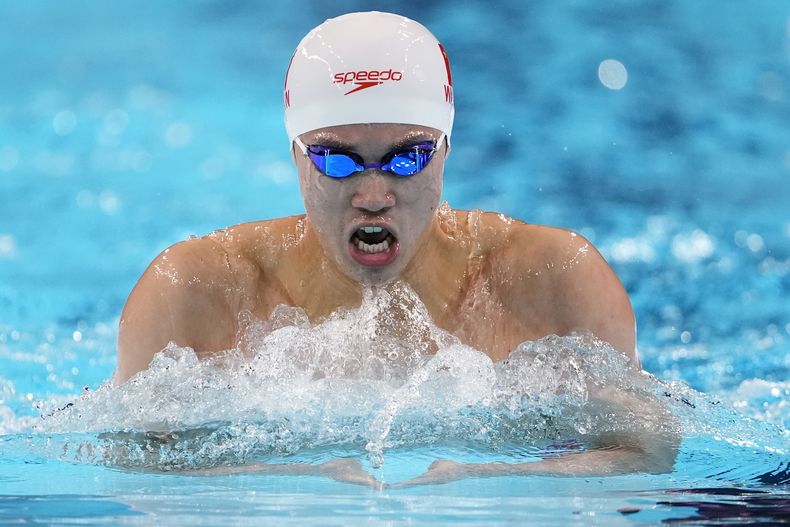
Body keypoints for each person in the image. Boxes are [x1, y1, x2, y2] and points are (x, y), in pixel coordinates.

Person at [115, 11, 677, 485]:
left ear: (446, 150)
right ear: (295, 157)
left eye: (408, 158)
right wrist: (290, 478)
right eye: (336, 160)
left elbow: (649, 450)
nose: (374, 196)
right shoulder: (193, 292)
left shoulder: (554, 279)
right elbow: (126, 460)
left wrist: (493, 480)